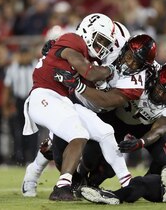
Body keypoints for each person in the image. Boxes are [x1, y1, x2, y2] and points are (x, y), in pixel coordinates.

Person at [21, 24, 156, 198]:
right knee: (62, 144)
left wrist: (82, 77)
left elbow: (106, 100)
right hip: (74, 97)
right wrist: (56, 46)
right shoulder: (109, 49)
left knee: (105, 134)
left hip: (101, 107)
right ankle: (48, 178)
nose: (130, 63)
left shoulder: (137, 80)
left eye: (137, 62)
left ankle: (127, 182)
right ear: (123, 47)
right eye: (129, 55)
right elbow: (81, 50)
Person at [22, 13, 122, 201]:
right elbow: (90, 73)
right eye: (100, 40)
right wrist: (111, 71)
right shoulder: (73, 40)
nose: (103, 47)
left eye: (106, 43)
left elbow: (92, 79)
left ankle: (43, 176)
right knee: (75, 136)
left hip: (64, 101)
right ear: (87, 31)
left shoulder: (92, 57)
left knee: (65, 140)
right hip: (46, 94)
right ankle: (58, 185)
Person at [72, 60, 166, 189]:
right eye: (159, 88)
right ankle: (80, 175)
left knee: (165, 160)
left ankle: (142, 187)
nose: (160, 94)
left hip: (146, 126)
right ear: (155, 77)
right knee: (93, 156)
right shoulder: (140, 70)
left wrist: (141, 142)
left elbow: (159, 129)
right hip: (115, 117)